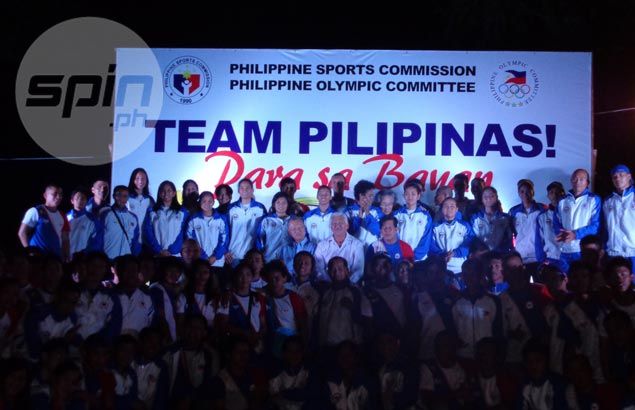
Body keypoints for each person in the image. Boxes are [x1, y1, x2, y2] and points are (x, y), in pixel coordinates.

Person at [315, 257, 372, 350]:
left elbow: (367, 320)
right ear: (328, 272)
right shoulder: (325, 293)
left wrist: (353, 308)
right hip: (326, 346)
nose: (336, 272)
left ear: (347, 271)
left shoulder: (356, 292)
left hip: (347, 347)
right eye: (333, 270)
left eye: (340, 269)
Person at [554, 169, 601, 267]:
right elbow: (556, 223)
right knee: (565, 280)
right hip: (564, 250)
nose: (577, 182)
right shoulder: (562, 201)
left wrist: (575, 234)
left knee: (584, 280)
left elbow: (596, 226)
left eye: (581, 179)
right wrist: (562, 234)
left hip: (583, 250)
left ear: (587, 182)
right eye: (575, 179)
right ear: (571, 181)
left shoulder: (594, 199)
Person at [18, 183, 70, 260]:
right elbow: (22, 233)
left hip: (55, 259)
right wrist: (29, 252)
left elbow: (65, 239)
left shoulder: (63, 215)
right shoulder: (35, 211)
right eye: (55, 194)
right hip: (38, 258)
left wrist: (66, 257)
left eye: (60, 194)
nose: (58, 197)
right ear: (45, 195)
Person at [226, 178, 267, 266]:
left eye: (247, 188)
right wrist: (225, 251)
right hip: (233, 255)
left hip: (253, 256)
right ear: (238, 190)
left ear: (252, 190)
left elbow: (265, 232)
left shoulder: (260, 208)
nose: (244, 190)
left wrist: (261, 251)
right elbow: (225, 231)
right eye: (242, 188)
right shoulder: (231, 208)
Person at [314, 213, 365, 283]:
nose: (337, 226)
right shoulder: (321, 245)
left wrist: (347, 284)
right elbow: (319, 269)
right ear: (331, 227)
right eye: (334, 223)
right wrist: (331, 285)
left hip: (350, 286)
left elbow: (358, 270)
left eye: (341, 223)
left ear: (347, 226)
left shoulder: (357, 244)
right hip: (327, 286)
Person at [430, 197, 475, 274]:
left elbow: (469, 243)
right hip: (441, 268)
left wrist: (455, 253)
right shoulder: (435, 227)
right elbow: (431, 245)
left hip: (460, 268)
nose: (449, 208)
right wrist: (442, 255)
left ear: (457, 209)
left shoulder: (465, 226)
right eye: (446, 206)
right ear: (441, 209)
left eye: (452, 206)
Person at [144, 180, 188, 257]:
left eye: (169, 190)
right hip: (158, 254)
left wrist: (173, 250)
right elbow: (148, 233)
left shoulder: (182, 211)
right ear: (160, 194)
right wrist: (159, 250)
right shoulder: (152, 211)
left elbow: (183, 232)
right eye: (163, 191)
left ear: (174, 193)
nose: (166, 193)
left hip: (175, 255)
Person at [113, 255, 154, 336]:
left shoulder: (147, 297)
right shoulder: (108, 297)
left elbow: (151, 322)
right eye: (126, 270)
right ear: (118, 272)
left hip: (139, 345)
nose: (130, 274)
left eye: (133, 270)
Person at [186, 191, 229, 268]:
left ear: (213, 202)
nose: (207, 203)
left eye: (210, 201)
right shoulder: (193, 219)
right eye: (204, 201)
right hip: (200, 260)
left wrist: (215, 256)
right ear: (199, 202)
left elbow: (224, 240)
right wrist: (202, 255)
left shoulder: (222, 219)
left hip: (217, 262)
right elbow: (190, 239)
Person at [394, 180, 433, 263]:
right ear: (403, 195)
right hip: (401, 259)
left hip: (419, 260)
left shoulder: (425, 216)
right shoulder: (396, 215)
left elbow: (426, 239)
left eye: (413, 194)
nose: (410, 197)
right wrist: (402, 255)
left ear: (418, 196)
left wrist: (414, 257)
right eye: (407, 194)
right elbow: (394, 237)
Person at [604, 164, 635, 266]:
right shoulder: (608, 201)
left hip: (633, 252)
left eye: (621, 175)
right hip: (614, 252)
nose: (618, 179)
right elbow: (605, 227)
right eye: (615, 177)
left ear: (629, 176)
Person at [509, 179, 545, 265]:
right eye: (522, 191)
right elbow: (510, 234)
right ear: (518, 193)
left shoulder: (542, 209)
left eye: (528, 190)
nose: (525, 194)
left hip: (539, 256)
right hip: (520, 257)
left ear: (533, 192)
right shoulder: (513, 211)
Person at [99, 186, 141, 260]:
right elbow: (99, 237)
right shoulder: (105, 214)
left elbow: (135, 240)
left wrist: (135, 257)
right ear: (114, 196)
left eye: (125, 196)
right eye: (119, 195)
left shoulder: (133, 217)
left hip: (127, 260)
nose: (122, 198)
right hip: (108, 259)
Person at [470, 186, 513, 253]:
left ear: (496, 198)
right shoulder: (475, 218)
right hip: (482, 256)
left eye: (491, 196)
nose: (488, 199)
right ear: (482, 199)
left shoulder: (506, 218)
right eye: (485, 197)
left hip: (500, 257)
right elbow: (473, 238)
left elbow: (509, 238)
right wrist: (483, 250)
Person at [536, 181, 566, 265]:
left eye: (558, 192)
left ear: (563, 193)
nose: (555, 195)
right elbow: (539, 240)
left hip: (569, 256)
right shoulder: (542, 216)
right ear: (548, 196)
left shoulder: (570, 213)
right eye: (551, 192)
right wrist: (541, 259)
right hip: (551, 258)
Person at [256, 192, 291, 262]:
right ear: (274, 204)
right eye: (278, 202)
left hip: (289, 259)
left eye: (284, 203)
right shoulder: (266, 220)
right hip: (269, 258)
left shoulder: (293, 220)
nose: (281, 205)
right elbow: (259, 239)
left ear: (288, 205)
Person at [66, 188, 100, 257]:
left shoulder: (92, 219)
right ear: (72, 201)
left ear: (86, 201)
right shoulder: (65, 217)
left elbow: (96, 240)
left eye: (83, 198)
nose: (80, 200)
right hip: (67, 256)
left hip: (83, 258)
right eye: (77, 198)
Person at [346, 179, 380, 247]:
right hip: (353, 249)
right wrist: (359, 218)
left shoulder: (377, 211)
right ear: (361, 196)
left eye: (372, 196)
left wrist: (367, 214)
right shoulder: (348, 211)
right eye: (370, 196)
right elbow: (349, 233)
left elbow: (377, 231)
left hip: (373, 250)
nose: (373, 198)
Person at [126, 168, 155, 243]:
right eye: (137, 178)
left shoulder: (149, 200)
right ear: (133, 180)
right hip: (129, 239)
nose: (140, 181)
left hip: (146, 241)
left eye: (143, 178)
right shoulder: (126, 198)